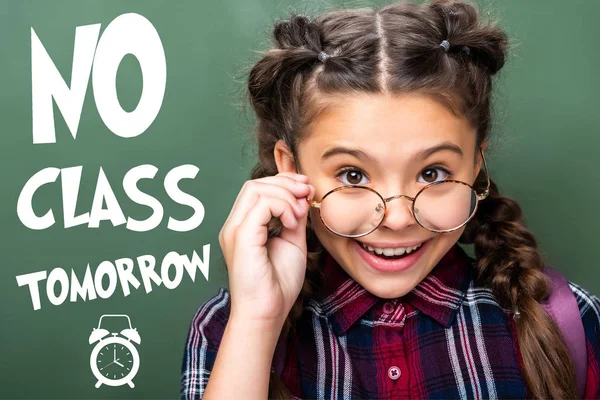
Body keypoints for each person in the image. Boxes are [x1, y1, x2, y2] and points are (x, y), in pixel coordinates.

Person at [180, 0, 600, 398]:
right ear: (291, 170)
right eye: (353, 175)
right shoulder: (228, 331)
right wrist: (256, 320)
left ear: (476, 166)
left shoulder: (569, 322)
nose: (397, 217)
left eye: (432, 174)